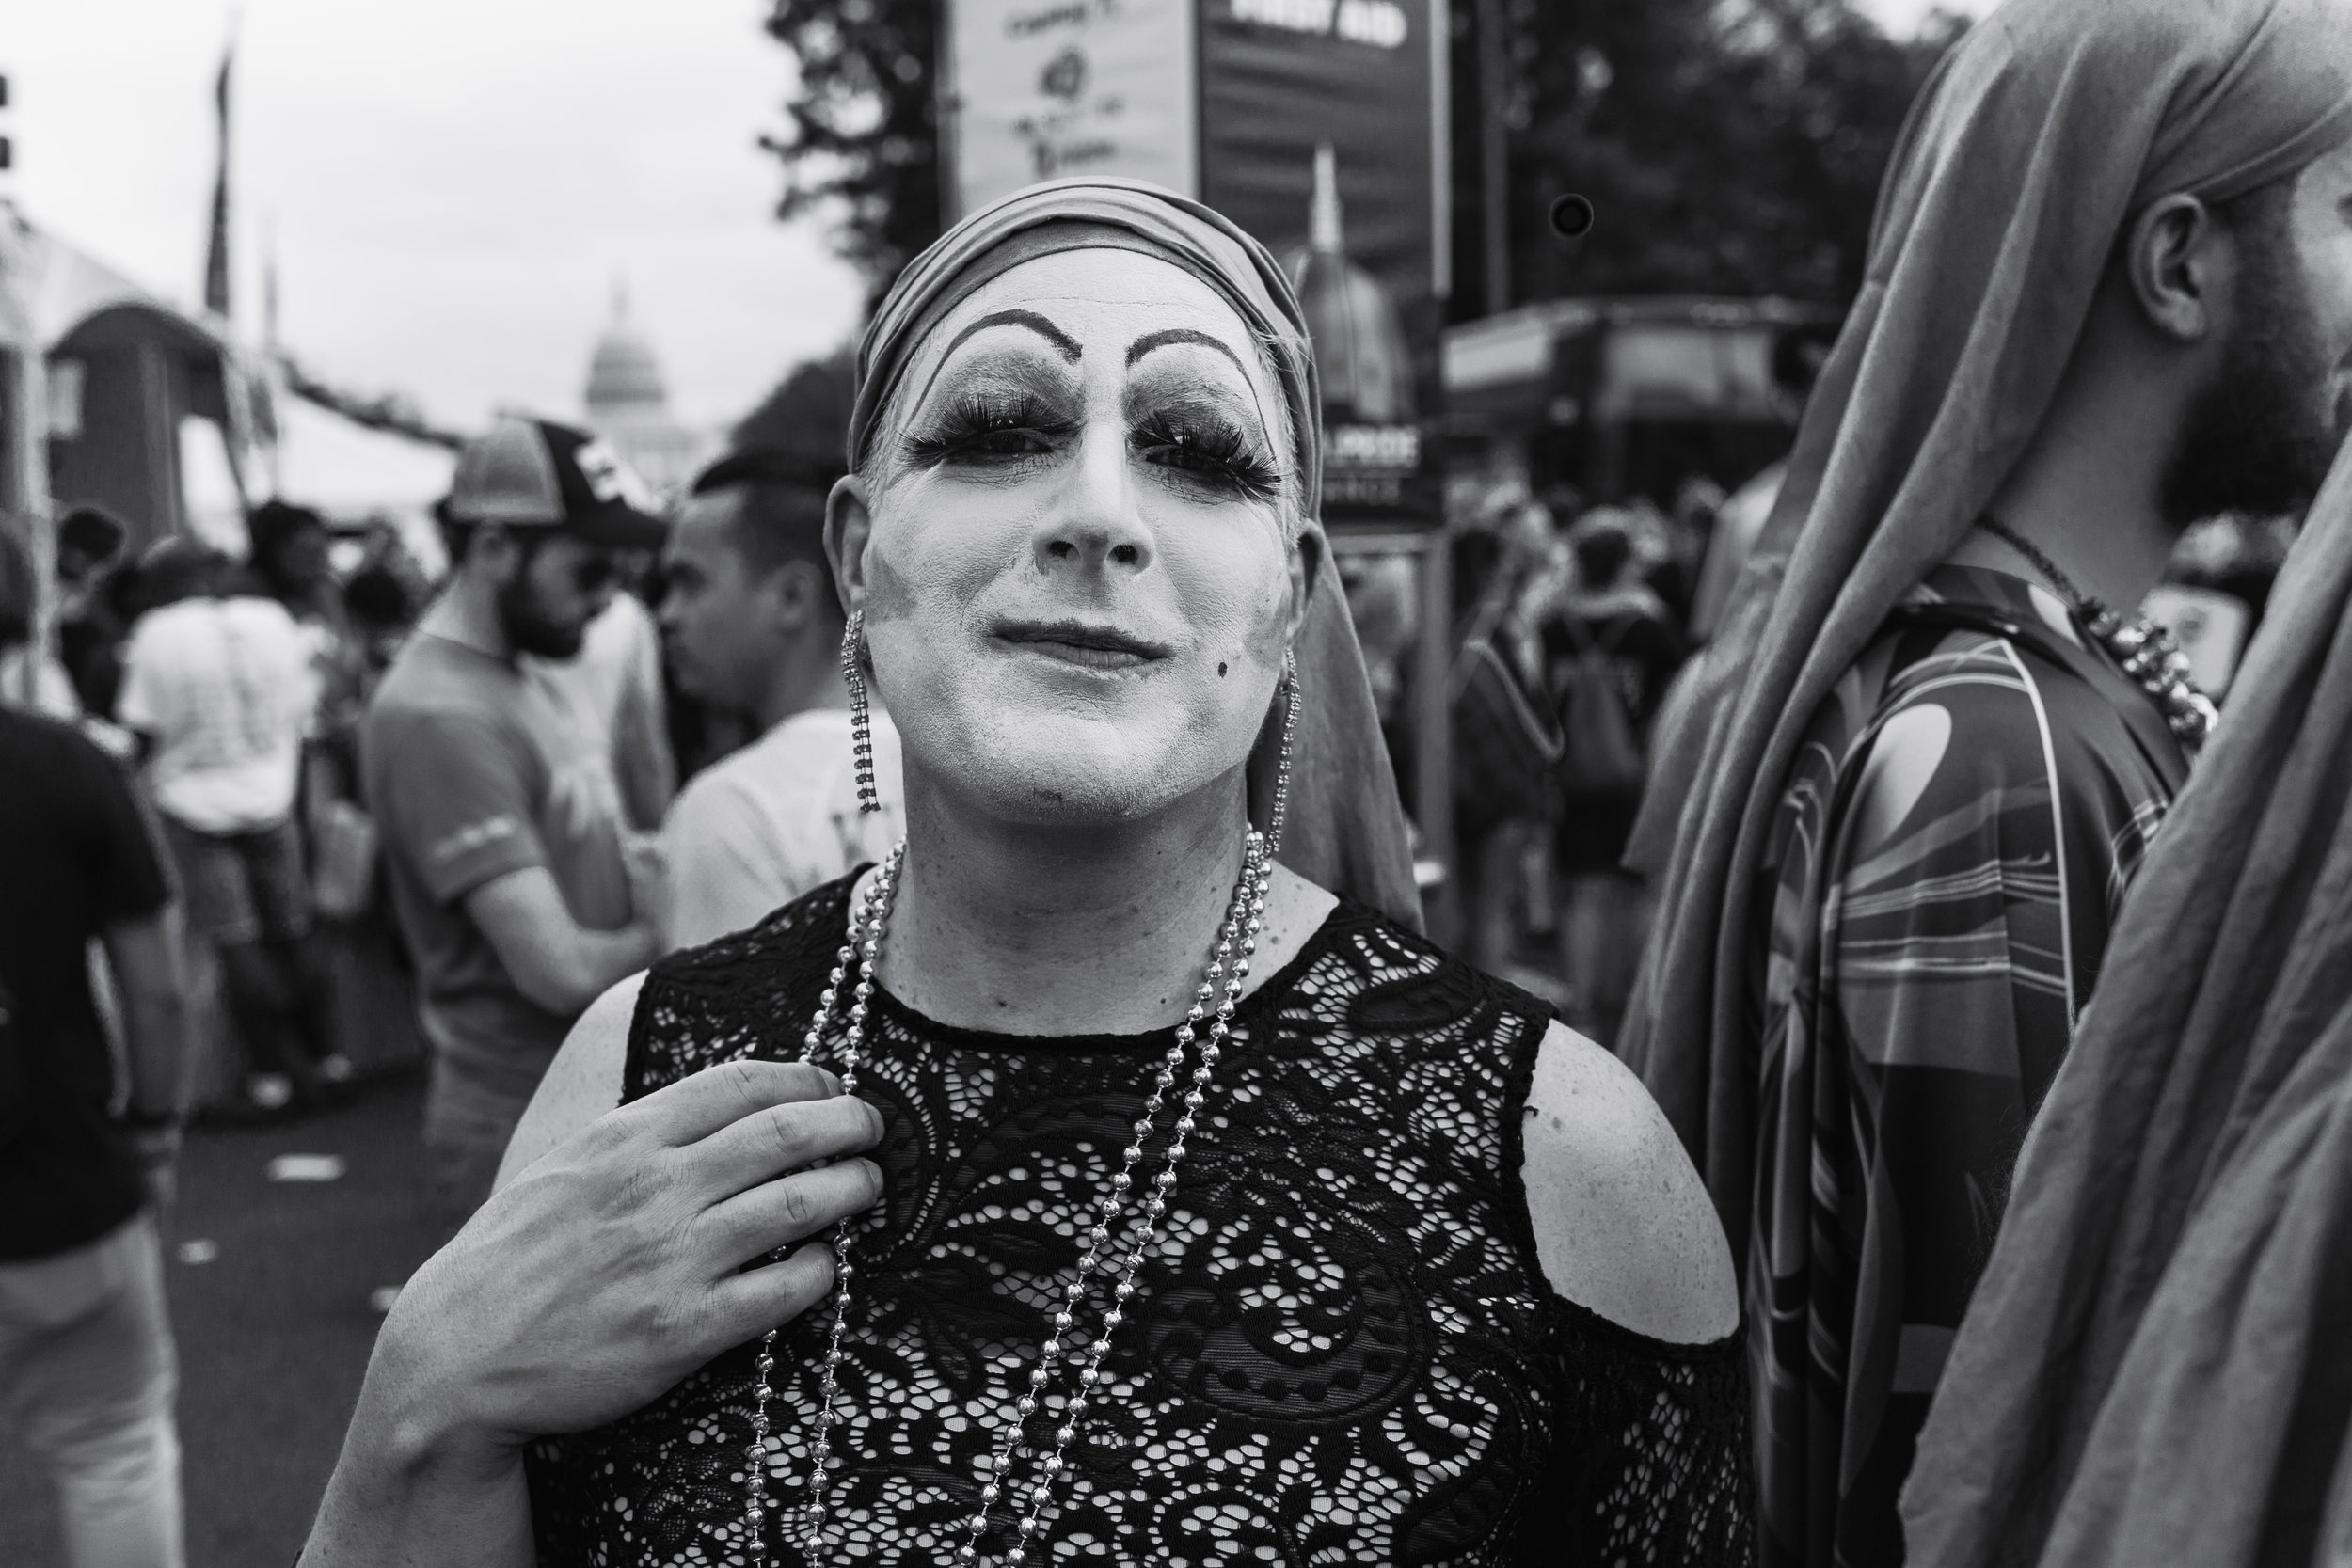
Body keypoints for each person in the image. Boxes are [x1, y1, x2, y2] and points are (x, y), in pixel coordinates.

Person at [301, 177, 1748, 1567]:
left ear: (1292, 592)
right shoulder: (635, 1077)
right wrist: (423, 1398)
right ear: (861, 559)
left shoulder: (1567, 1163)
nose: (1099, 511)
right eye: (997, 427)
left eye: (1201, 453)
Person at [1618, 3, 2352, 1562]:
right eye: (2349, 211)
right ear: (2176, 264)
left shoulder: (2050, 684)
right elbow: (1979, 1454)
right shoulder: (1989, 751)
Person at [359, 418, 672, 1228]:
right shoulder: (441, 715)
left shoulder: (508, 671)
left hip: (565, 1097)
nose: (609, 596)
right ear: (494, 546)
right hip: (521, 1121)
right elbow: (558, 969)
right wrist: (672, 919)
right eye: (591, 566)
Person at [0, 527, 195, 1568]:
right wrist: (155, 1130)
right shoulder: (65, 764)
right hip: (55, 1182)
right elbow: (156, 989)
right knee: (112, 1449)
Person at [116, 536, 332, 1115]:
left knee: (238, 943)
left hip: (193, 804)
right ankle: (330, 1060)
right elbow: (303, 710)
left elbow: (140, 731)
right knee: (295, 929)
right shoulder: (269, 619)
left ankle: (273, 1077)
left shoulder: (156, 633)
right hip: (272, 792)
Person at [657, 450, 907, 949]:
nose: (667, 615)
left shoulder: (733, 810)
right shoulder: (949, 771)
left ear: (792, 596)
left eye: (690, 582)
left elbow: (723, 1025)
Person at [1542, 510, 1682, 1045]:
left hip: (1572, 776)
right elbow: (1672, 705)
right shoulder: (1649, 628)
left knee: (1582, 892)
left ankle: (1583, 1014)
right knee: (1637, 886)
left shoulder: (1554, 626)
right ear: (1626, 562)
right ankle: (1630, 1006)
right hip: (1637, 776)